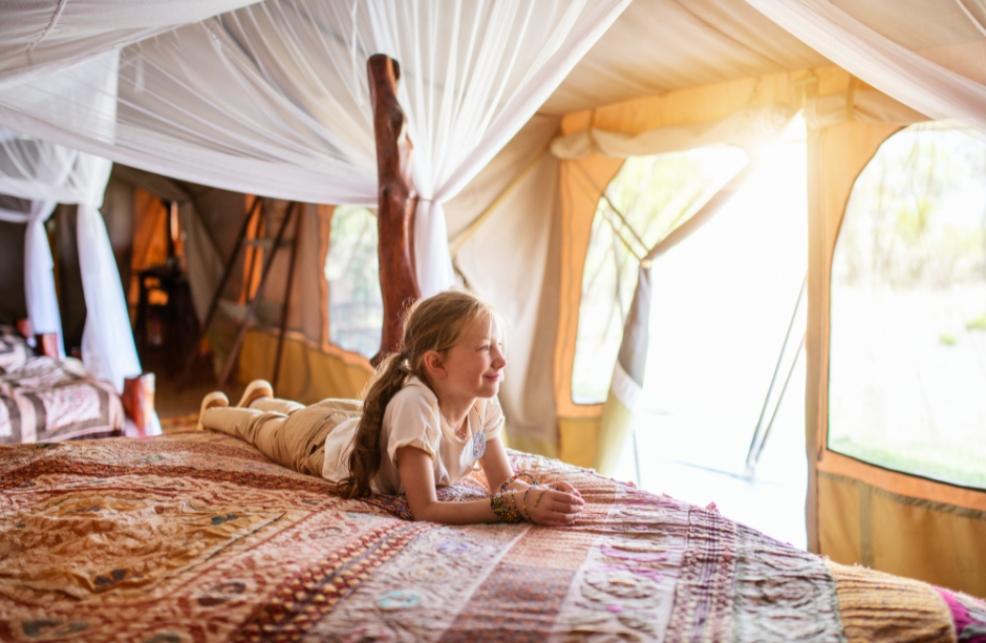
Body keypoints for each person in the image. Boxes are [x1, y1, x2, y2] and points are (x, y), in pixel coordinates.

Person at [197, 290, 584, 526]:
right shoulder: (414, 406)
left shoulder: (482, 403)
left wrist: (535, 495)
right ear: (436, 364)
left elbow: (502, 483)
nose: (501, 360)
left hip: (345, 420)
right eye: (485, 348)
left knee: (301, 412)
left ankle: (263, 399)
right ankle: (216, 411)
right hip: (319, 442)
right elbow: (426, 508)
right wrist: (511, 507)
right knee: (263, 429)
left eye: (498, 345)